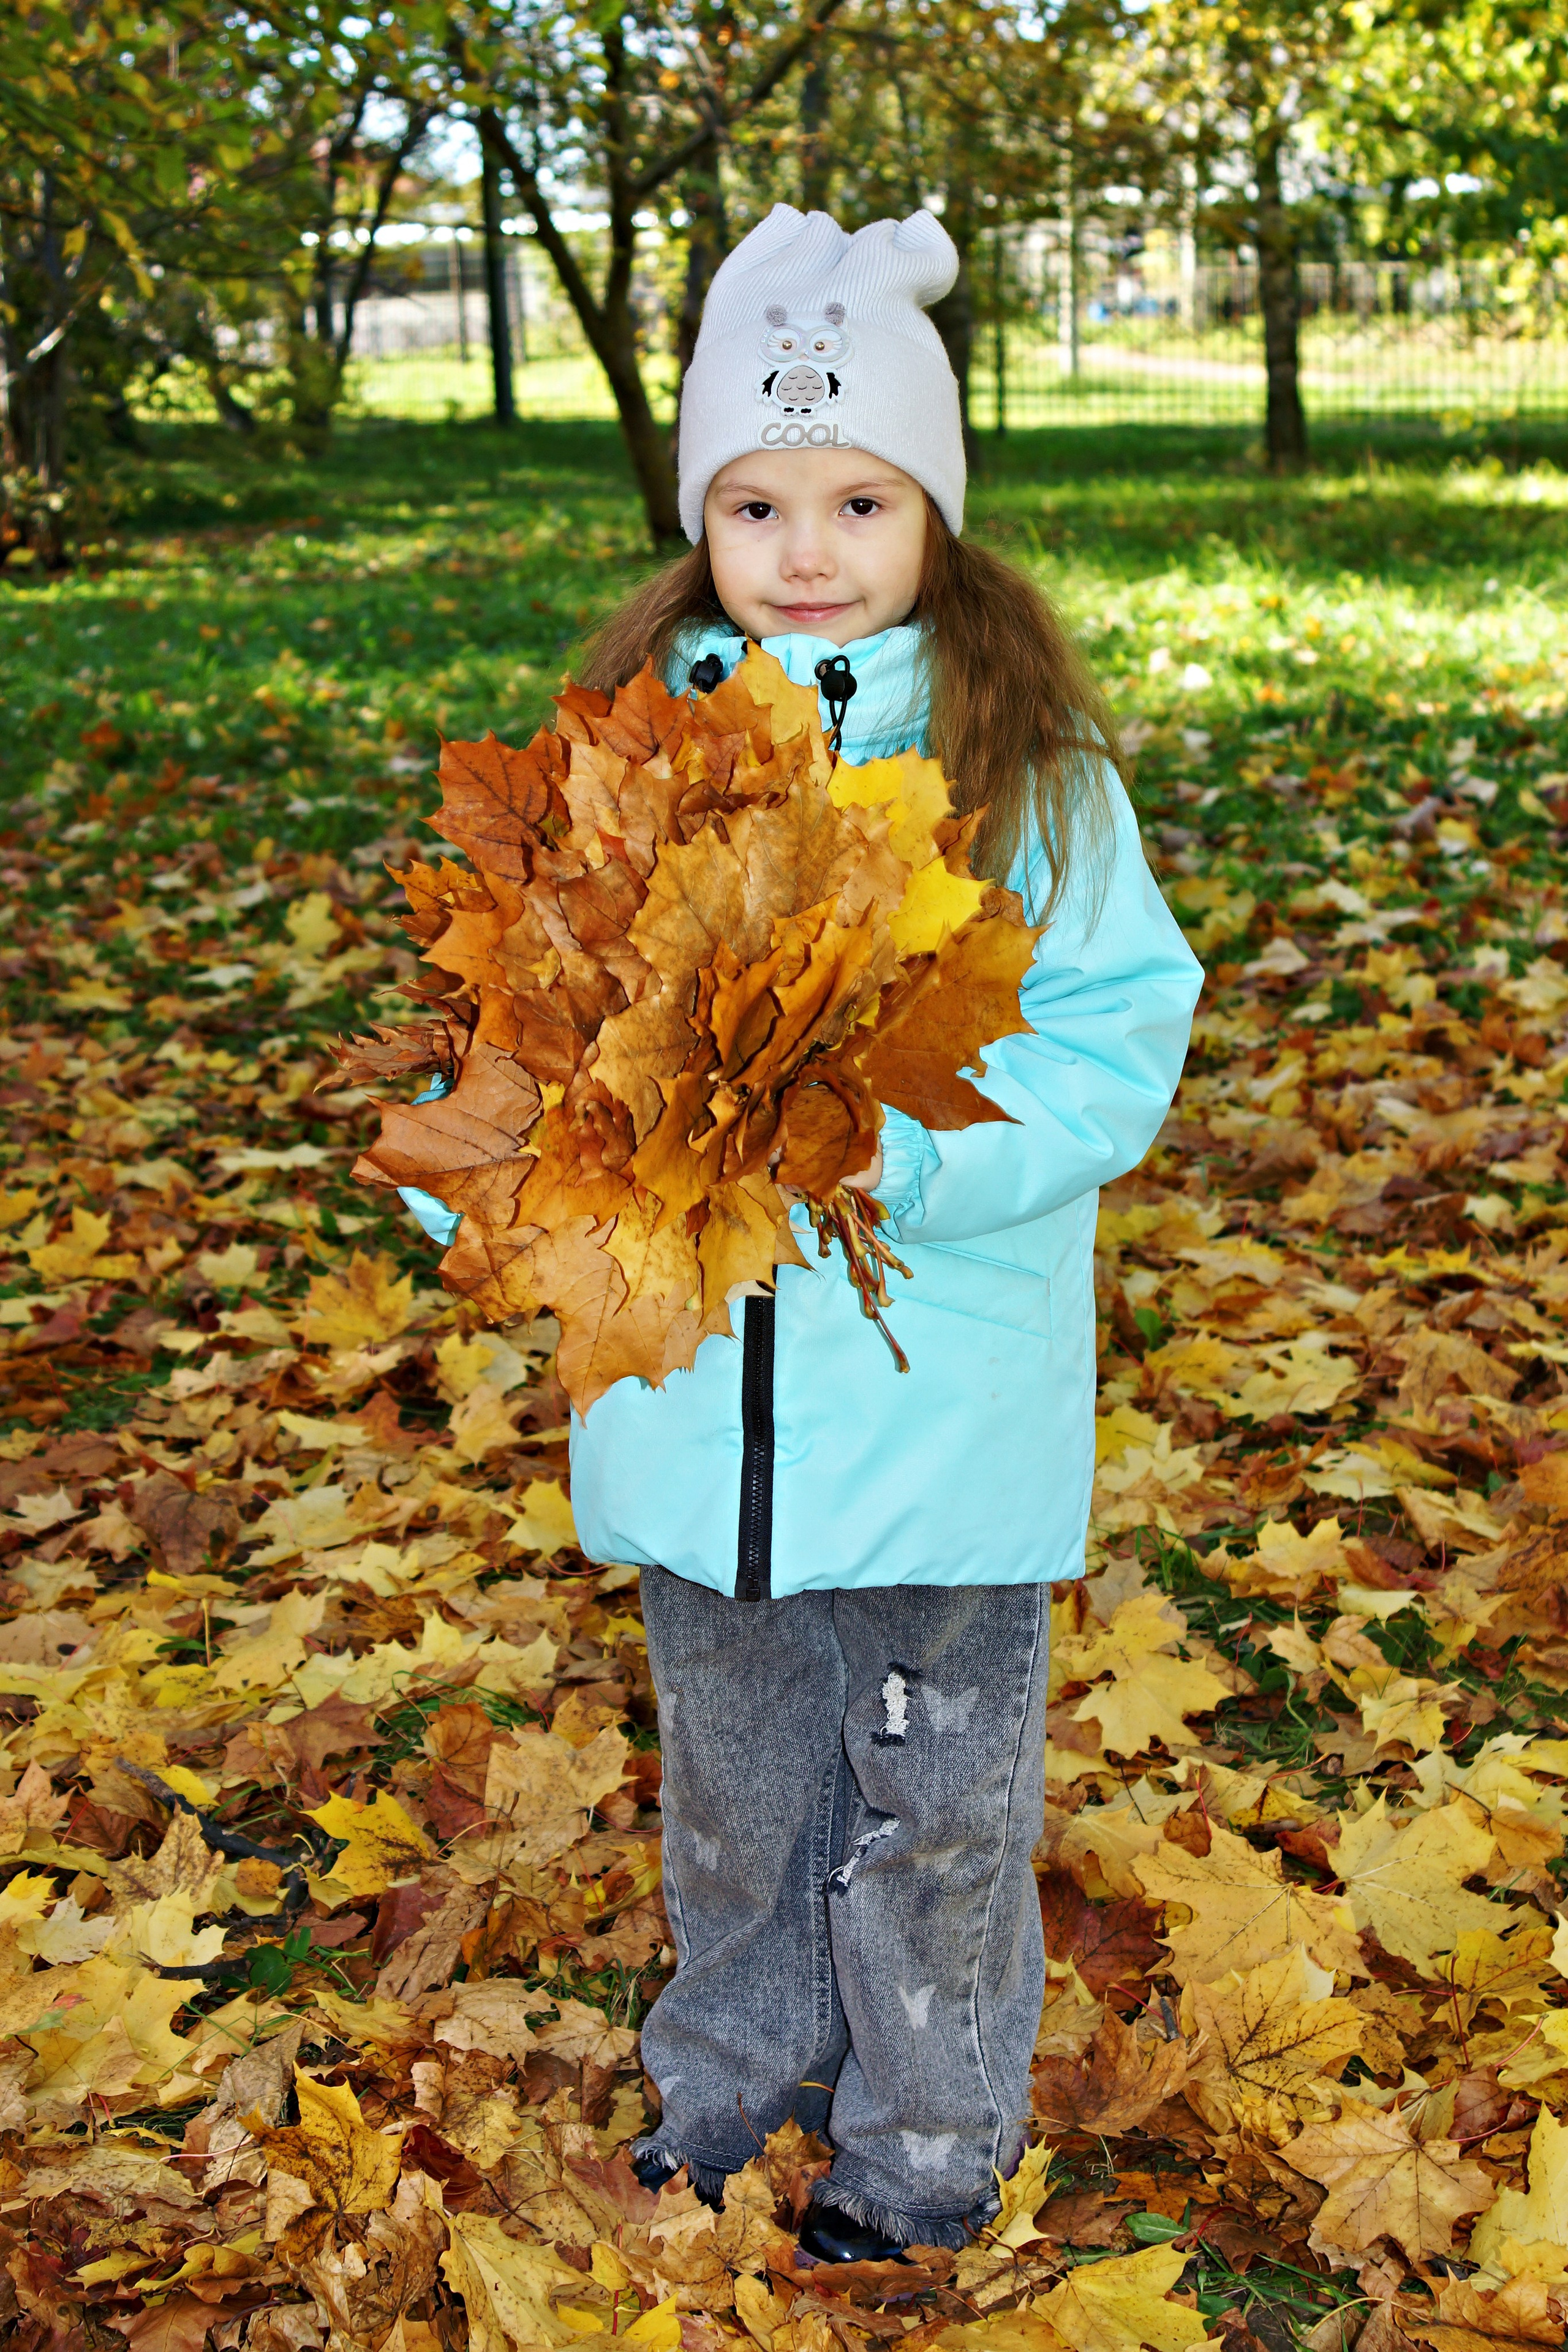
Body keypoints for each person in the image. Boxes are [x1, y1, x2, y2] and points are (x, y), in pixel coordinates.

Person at [399, 205, 1202, 2261]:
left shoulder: (1025, 776)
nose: (812, 545)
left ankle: (928, 2145)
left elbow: (1116, 1041)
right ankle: (733, 2090)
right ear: (702, 524)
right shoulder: (625, 760)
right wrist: (489, 1173)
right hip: (694, 1428)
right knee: (744, 1801)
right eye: (758, 502)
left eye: (862, 496)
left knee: (934, 1816)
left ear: (936, 507)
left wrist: (923, 1159)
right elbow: (528, 1019)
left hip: (932, 1426)